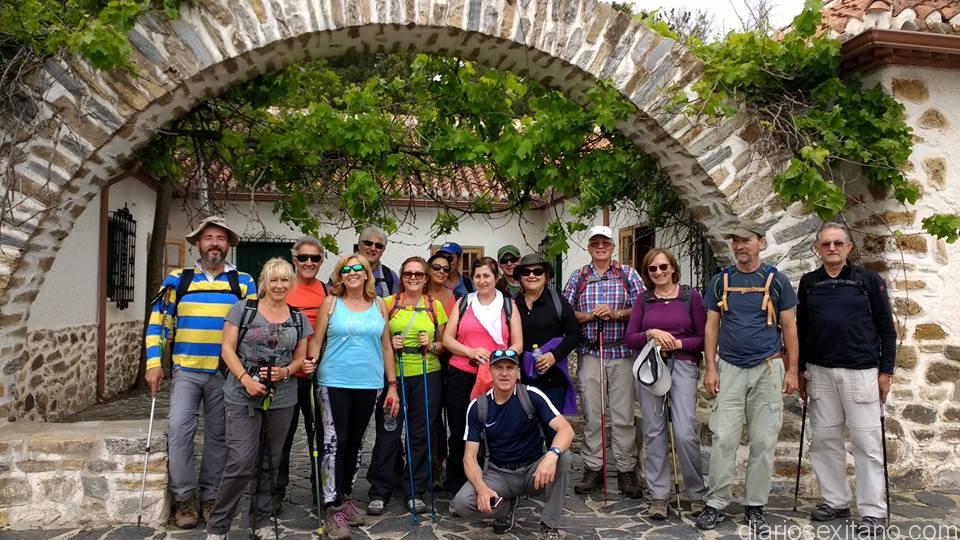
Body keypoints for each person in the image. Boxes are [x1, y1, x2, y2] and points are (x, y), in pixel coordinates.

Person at [144, 216, 256, 529]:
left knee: (219, 436)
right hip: (187, 370)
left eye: (220, 238)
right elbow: (158, 324)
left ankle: (210, 496)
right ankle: (184, 499)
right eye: (208, 238)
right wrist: (153, 363)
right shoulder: (177, 280)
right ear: (198, 243)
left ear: (228, 244)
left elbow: (251, 327)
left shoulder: (243, 282)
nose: (214, 244)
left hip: (225, 372)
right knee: (179, 430)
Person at [695, 227, 800, 534]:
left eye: (747, 240)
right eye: (736, 241)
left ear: (760, 243)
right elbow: (711, 327)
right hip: (729, 367)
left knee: (763, 440)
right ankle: (716, 502)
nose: (740, 246)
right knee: (724, 438)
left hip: (768, 367)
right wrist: (710, 368)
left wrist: (792, 370)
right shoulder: (721, 281)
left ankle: (755, 505)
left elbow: (790, 327)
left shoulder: (777, 281)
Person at [798, 222, 896, 536]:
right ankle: (835, 501)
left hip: (861, 372)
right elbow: (801, 329)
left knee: (867, 444)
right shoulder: (809, 282)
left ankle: (873, 511)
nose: (832, 248)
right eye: (826, 244)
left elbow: (887, 329)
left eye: (838, 243)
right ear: (817, 248)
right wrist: (799, 370)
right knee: (825, 441)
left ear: (849, 247)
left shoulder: (868, 281)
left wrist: (886, 372)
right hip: (819, 372)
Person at [205, 258, 311, 540]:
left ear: (291, 283)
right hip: (242, 394)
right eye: (273, 279)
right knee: (240, 461)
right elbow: (227, 349)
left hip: (282, 397)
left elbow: (300, 357)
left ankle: (261, 520)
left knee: (270, 462)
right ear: (264, 281)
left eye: (285, 280)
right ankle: (218, 525)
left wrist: (285, 371)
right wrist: (245, 379)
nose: (279, 285)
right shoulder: (243, 309)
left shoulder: (298, 318)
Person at [308, 254, 400, 540]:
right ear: (340, 276)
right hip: (334, 381)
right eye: (345, 269)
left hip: (369, 382)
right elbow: (317, 340)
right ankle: (332, 506)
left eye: (358, 268)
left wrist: (392, 384)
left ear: (367, 274)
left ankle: (344, 495)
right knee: (335, 441)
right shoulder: (331, 303)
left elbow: (386, 347)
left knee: (356, 443)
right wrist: (309, 363)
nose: (352, 272)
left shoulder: (379, 304)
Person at [451, 349, 574, 539]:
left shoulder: (531, 395)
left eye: (510, 368)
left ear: (517, 372)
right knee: (461, 504)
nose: (504, 373)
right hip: (499, 474)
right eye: (498, 368)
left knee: (563, 457)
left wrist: (551, 456)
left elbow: (566, 429)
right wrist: (482, 489)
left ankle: (549, 524)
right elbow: (469, 458)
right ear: (490, 372)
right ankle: (504, 507)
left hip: (533, 470)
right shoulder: (478, 407)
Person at [624, 248, 707, 520]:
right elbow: (630, 338)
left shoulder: (690, 297)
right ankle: (659, 496)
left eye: (663, 267)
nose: (658, 272)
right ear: (647, 273)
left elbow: (703, 338)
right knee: (654, 432)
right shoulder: (644, 300)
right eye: (652, 269)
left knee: (685, 432)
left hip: (682, 364)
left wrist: (678, 343)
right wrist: (651, 333)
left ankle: (696, 493)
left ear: (672, 267)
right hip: (652, 367)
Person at [562, 225, 644, 498]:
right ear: (589, 248)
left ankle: (626, 469)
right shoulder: (579, 277)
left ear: (612, 247)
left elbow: (642, 308)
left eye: (605, 243)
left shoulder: (628, 274)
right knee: (593, 415)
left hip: (621, 353)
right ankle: (594, 467)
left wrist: (616, 313)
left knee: (623, 416)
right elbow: (565, 313)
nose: (600, 247)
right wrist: (589, 316)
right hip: (590, 353)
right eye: (595, 243)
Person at [367, 256, 448, 515]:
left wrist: (431, 345)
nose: (413, 278)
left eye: (419, 274)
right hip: (394, 375)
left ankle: (415, 489)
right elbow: (376, 340)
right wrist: (390, 343)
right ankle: (380, 489)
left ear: (426, 279)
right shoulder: (387, 303)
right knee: (389, 430)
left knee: (420, 431)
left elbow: (443, 344)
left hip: (427, 373)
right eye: (408, 273)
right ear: (402, 277)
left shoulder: (434, 306)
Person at [441, 257, 523, 495]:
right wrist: (470, 352)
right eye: (477, 276)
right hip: (462, 373)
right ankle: (457, 484)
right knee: (461, 430)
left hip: (495, 377)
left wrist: (498, 359)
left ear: (496, 277)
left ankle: (495, 481)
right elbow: (447, 339)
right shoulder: (464, 302)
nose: (482, 280)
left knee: (495, 430)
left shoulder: (508, 305)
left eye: (487, 275)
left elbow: (518, 343)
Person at [273, 237, 327, 513]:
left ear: (321, 261)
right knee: (281, 434)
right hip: (287, 374)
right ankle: (276, 489)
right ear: (294, 259)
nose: (308, 262)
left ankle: (321, 488)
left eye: (314, 258)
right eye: (303, 257)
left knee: (319, 433)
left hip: (316, 373)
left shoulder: (327, 291)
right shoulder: (283, 289)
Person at [513, 253, 580, 428]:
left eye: (538, 271)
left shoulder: (558, 302)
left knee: (552, 428)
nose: (532, 275)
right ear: (520, 277)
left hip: (553, 378)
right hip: (523, 378)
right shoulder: (513, 304)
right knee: (526, 428)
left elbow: (574, 335)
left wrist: (554, 355)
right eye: (526, 272)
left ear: (546, 276)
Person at [358, 225, 400, 297]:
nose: (373, 248)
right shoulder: (344, 272)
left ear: (383, 251)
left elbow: (396, 303)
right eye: (368, 243)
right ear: (359, 245)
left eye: (378, 246)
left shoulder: (390, 276)